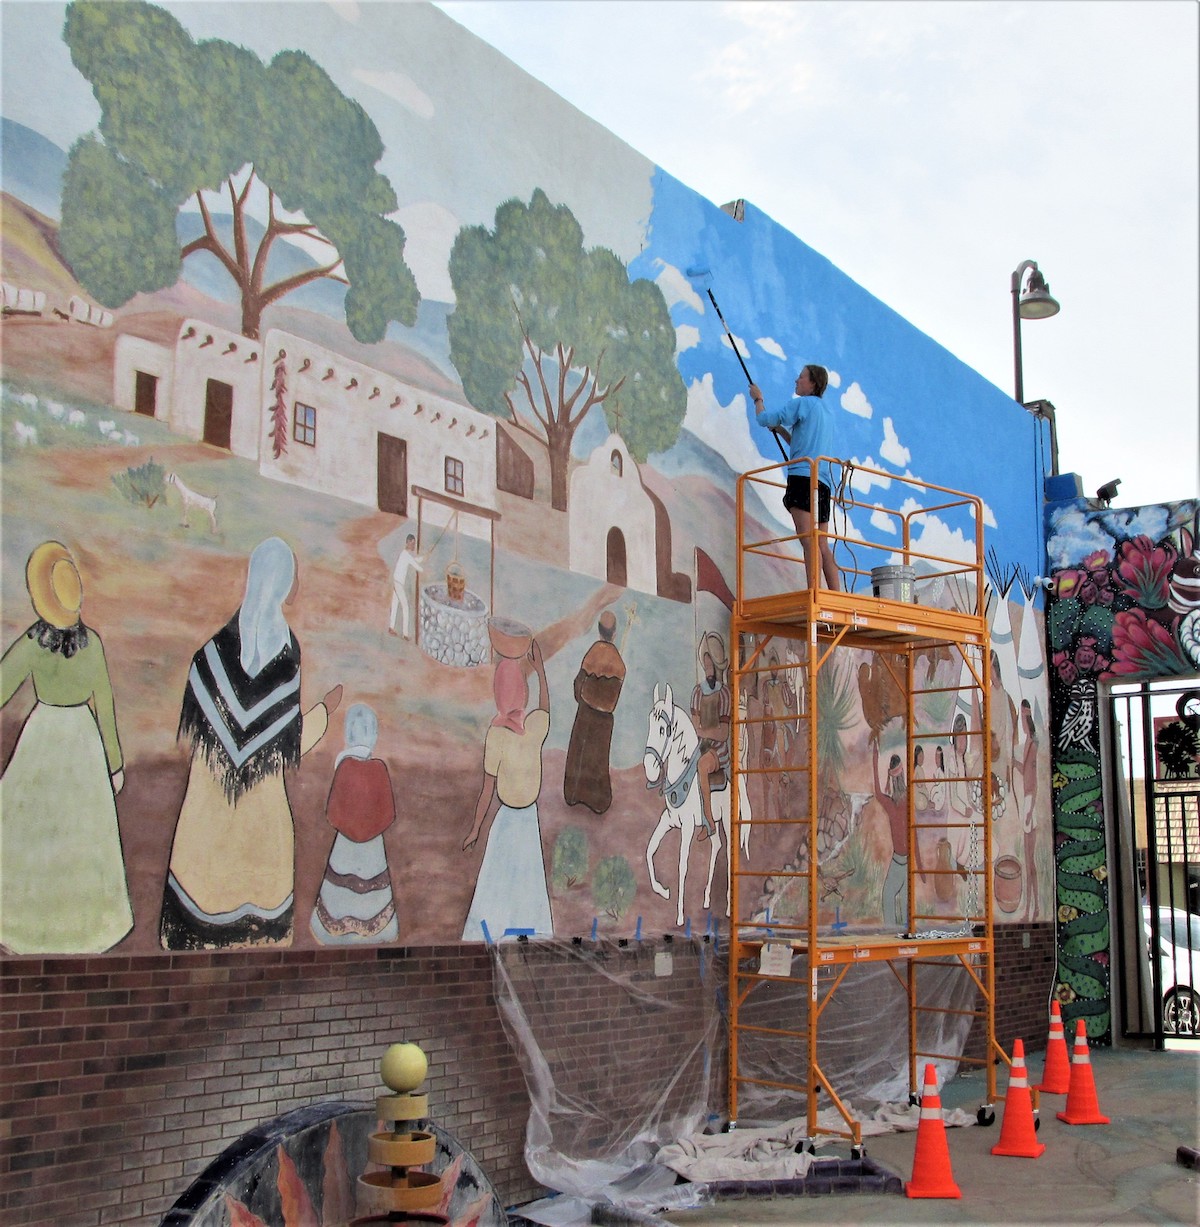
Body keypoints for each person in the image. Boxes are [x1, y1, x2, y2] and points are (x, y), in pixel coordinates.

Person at [160, 537, 342, 949]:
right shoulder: (286, 657)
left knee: (199, 884)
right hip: (264, 818)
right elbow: (291, 740)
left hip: (206, 816)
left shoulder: (209, 656)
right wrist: (326, 713)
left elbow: (211, 723)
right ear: (281, 584)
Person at [0, 541, 133, 953]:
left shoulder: (33, 643)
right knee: (84, 834)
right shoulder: (92, 643)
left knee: (28, 829)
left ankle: (22, 924)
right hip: (83, 741)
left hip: (44, 736)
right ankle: (83, 930)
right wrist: (114, 765)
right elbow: (106, 705)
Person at [461, 638, 553, 939]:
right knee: (522, 881)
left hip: (510, 821)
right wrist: (540, 672)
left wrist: (476, 828)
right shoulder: (534, 727)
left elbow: (488, 790)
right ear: (522, 693)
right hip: (525, 820)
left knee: (503, 882)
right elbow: (545, 708)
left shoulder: (498, 734)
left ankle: (499, 931)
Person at [310, 702, 399, 944]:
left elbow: (332, 812)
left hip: (344, 846)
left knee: (339, 884)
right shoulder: (378, 768)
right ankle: (373, 929)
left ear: (348, 734)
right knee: (373, 891)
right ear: (373, 735)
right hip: (373, 848)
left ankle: (336, 928)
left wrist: (350, 828)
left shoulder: (344, 767)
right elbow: (389, 813)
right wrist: (370, 829)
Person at [750, 365, 841, 591]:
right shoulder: (826, 413)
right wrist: (781, 431)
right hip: (822, 483)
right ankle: (835, 594)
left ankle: (815, 593)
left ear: (812, 384)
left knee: (807, 540)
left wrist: (758, 399)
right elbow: (802, 445)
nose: (796, 380)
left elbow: (764, 418)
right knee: (822, 543)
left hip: (802, 480)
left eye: (801, 377)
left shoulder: (802, 404)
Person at [562, 611, 626, 814]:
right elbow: (614, 697)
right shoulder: (618, 662)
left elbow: (578, 684)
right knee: (598, 759)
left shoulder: (592, 653)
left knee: (579, 754)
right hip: (604, 720)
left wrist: (583, 698)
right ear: (614, 633)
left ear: (600, 631)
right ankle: (598, 802)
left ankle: (573, 795)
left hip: (585, 713)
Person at [690, 632, 731, 842]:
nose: (708, 671)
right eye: (705, 666)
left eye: (711, 666)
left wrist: (703, 732)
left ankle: (708, 820)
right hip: (699, 746)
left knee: (702, 766)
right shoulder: (698, 692)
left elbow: (723, 734)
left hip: (718, 752)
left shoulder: (724, 694)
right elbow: (694, 723)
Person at [388, 533, 424, 639]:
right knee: (405, 607)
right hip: (398, 583)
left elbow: (414, 561)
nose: (413, 546)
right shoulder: (406, 555)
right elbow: (416, 566)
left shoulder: (405, 554)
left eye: (414, 544)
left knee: (395, 604)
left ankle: (391, 626)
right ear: (407, 543)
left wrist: (424, 558)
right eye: (412, 544)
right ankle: (405, 634)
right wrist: (423, 569)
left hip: (396, 581)